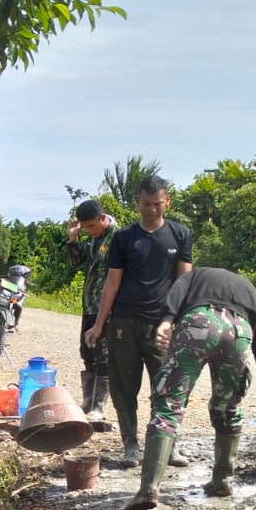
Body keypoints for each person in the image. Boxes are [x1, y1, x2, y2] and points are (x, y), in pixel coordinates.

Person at [125, 267, 256, 510]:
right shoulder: (249, 290)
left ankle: (149, 489)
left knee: (168, 405)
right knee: (228, 407)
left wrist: (166, 320)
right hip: (239, 332)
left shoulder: (195, 276)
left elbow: (176, 291)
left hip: (198, 324)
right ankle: (222, 481)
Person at [84, 176, 194, 465]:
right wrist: (98, 325)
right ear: (137, 203)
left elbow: (184, 281)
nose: (152, 210)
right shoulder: (124, 238)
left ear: (167, 201)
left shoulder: (180, 234)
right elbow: (111, 283)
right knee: (124, 388)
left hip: (162, 324)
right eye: (146, 204)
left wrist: (177, 320)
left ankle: (168, 446)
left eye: (157, 204)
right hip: (124, 322)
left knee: (167, 387)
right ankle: (130, 445)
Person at [67, 199, 117, 420]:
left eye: (91, 226)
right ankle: (88, 403)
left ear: (103, 218)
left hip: (106, 307)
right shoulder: (94, 239)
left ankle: (99, 407)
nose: (89, 230)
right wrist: (73, 238)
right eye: (85, 227)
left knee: (102, 356)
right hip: (89, 306)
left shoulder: (117, 238)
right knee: (86, 352)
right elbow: (76, 262)